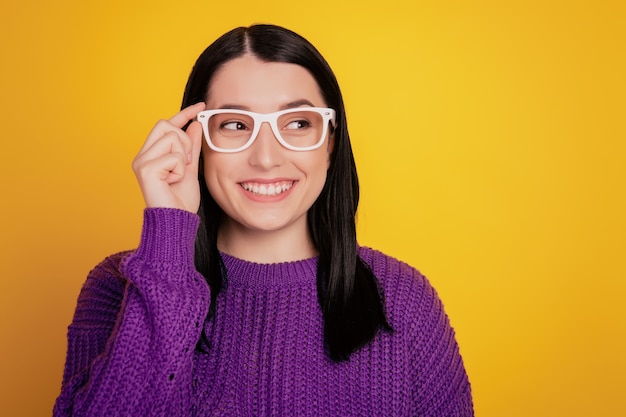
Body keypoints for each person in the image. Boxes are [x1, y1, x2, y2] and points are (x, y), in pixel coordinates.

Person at [53, 24, 474, 416]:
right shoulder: (120, 287)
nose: (267, 158)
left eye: (297, 123)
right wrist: (168, 239)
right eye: (236, 125)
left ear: (330, 142)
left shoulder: (403, 301)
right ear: (194, 143)